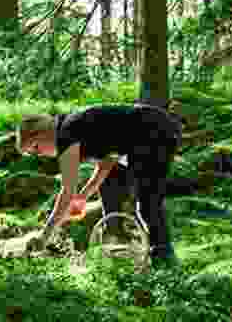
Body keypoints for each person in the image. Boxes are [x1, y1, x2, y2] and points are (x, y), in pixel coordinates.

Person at [15, 104, 182, 266]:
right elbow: (106, 163)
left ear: (42, 132)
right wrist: (83, 197)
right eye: (33, 153)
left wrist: (44, 236)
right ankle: (119, 244)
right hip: (152, 127)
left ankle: (163, 260)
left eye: (35, 147)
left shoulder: (66, 134)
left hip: (153, 131)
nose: (39, 154)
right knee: (110, 185)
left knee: (147, 203)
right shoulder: (72, 126)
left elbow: (67, 190)